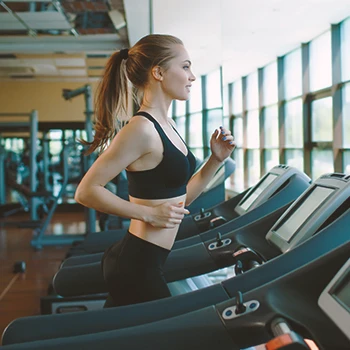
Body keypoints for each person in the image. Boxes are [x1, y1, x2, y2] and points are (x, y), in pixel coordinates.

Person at [75, 34, 236, 308]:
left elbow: (180, 200)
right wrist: (149, 213)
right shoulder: (141, 129)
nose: (192, 76)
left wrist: (215, 160)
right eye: (185, 67)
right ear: (158, 72)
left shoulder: (167, 124)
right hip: (138, 264)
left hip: (149, 260)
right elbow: (86, 192)